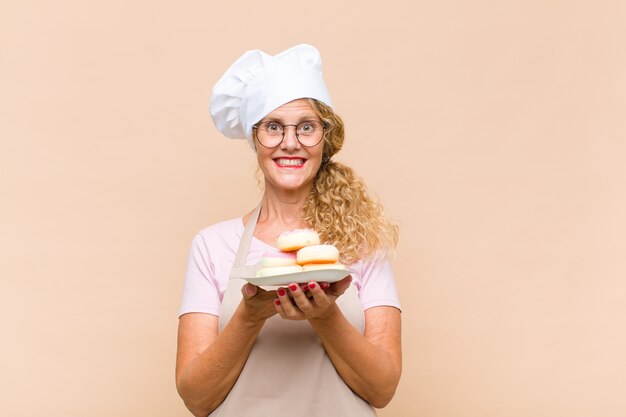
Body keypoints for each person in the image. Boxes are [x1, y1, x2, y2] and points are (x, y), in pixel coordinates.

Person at [175, 44, 401, 417]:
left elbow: (382, 389)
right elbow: (196, 399)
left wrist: (325, 316)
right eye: (274, 127)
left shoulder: (363, 244)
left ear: (324, 139)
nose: (290, 142)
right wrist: (250, 315)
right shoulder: (211, 245)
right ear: (255, 140)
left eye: (306, 127)